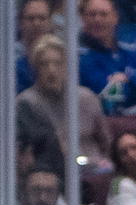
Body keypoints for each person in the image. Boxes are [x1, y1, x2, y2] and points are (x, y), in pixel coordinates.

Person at [18, 36, 112, 173]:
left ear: (67, 67)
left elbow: (106, 142)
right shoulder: (26, 103)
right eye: (44, 64)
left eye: (58, 63)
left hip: (92, 169)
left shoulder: (87, 97)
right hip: (49, 172)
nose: (52, 70)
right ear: (35, 69)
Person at [77, 0, 136, 115]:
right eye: (92, 14)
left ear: (115, 17)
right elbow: (103, 92)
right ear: (83, 18)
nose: (97, 19)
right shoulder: (79, 57)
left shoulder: (133, 50)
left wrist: (129, 78)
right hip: (105, 122)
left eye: (103, 14)